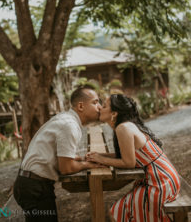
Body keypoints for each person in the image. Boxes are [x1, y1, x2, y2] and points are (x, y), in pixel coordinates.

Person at [13, 85, 102, 222]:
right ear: (81, 106)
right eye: (95, 102)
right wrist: (87, 164)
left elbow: (62, 157)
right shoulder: (69, 125)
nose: (100, 107)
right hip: (35, 187)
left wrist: (81, 158)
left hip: (32, 184)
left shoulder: (68, 120)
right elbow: (66, 168)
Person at [86, 94, 180, 222]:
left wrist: (101, 159)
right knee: (118, 211)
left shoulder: (123, 128)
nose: (100, 109)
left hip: (159, 181)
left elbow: (129, 162)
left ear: (114, 113)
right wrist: (99, 155)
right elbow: (126, 156)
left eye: (104, 106)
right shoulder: (124, 126)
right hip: (162, 176)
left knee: (116, 212)